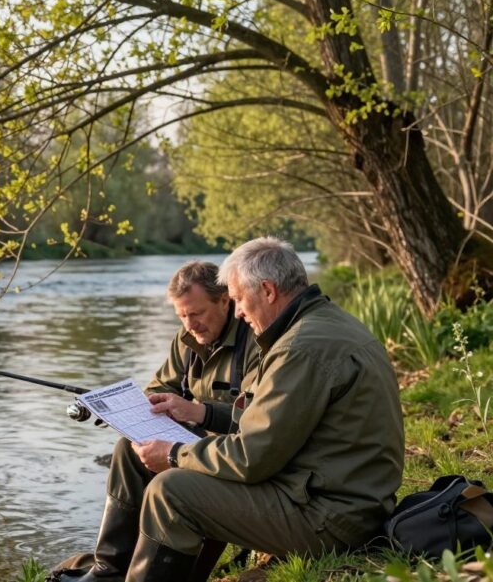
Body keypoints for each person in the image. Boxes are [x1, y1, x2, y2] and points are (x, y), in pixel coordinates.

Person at [120, 237, 405, 582]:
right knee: (186, 475)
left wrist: (176, 454)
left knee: (170, 493)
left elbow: (251, 458)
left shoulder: (298, 348)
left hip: (332, 519)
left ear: (268, 290)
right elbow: (265, 424)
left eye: (239, 299)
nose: (238, 311)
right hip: (351, 501)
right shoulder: (326, 323)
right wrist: (203, 417)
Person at [54, 260, 258, 582]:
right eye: (182, 316)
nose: (190, 324)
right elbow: (159, 388)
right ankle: (109, 570)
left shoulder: (255, 341)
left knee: (166, 479)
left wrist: (198, 411)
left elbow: (260, 421)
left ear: (224, 300)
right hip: (190, 442)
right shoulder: (187, 339)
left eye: (196, 313)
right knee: (127, 447)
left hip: (231, 453)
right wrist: (128, 411)